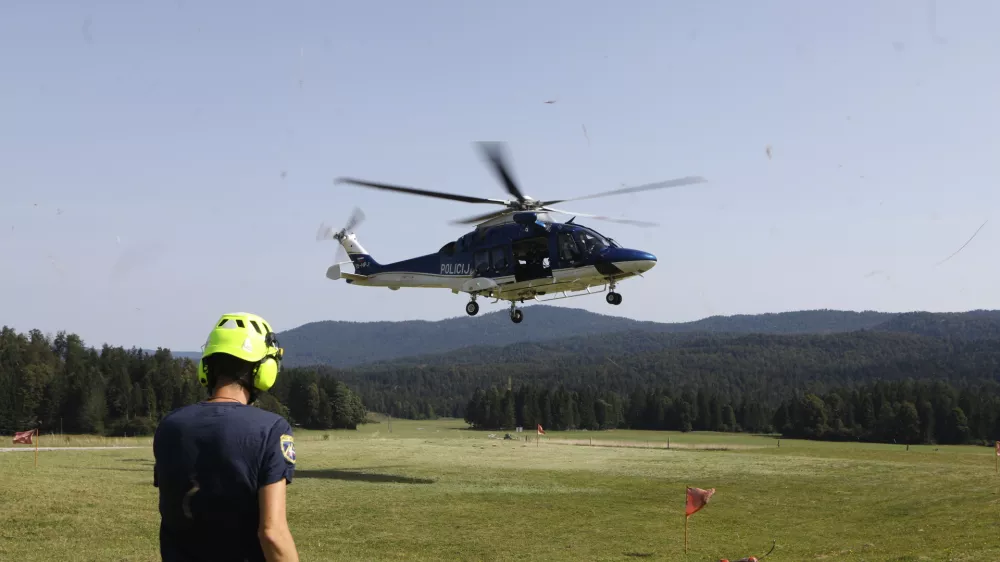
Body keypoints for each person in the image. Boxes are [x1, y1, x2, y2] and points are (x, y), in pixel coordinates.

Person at [153, 312, 299, 562]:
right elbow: (272, 533)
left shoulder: (170, 425)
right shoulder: (272, 429)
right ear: (264, 368)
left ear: (207, 367)